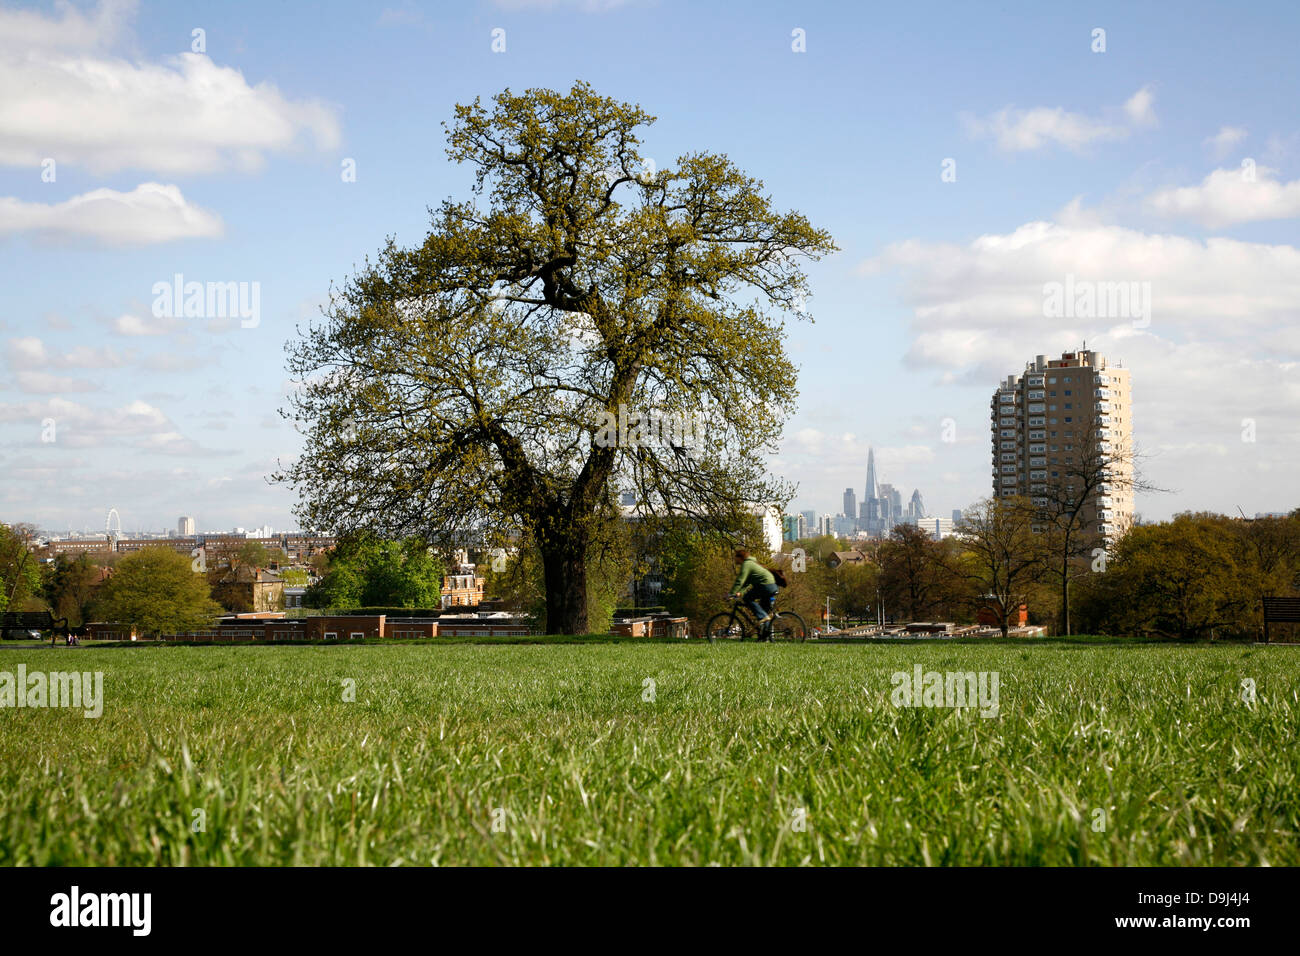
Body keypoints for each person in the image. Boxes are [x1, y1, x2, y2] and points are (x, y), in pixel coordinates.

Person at [728, 548, 778, 641]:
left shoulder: (747, 564)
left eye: (735, 558)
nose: (735, 560)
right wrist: (740, 592)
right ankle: (764, 637)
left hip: (766, 586)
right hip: (772, 585)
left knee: (748, 598)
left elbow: (740, 580)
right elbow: (747, 582)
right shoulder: (752, 563)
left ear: (740, 557)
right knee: (763, 612)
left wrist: (731, 593)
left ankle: (763, 618)